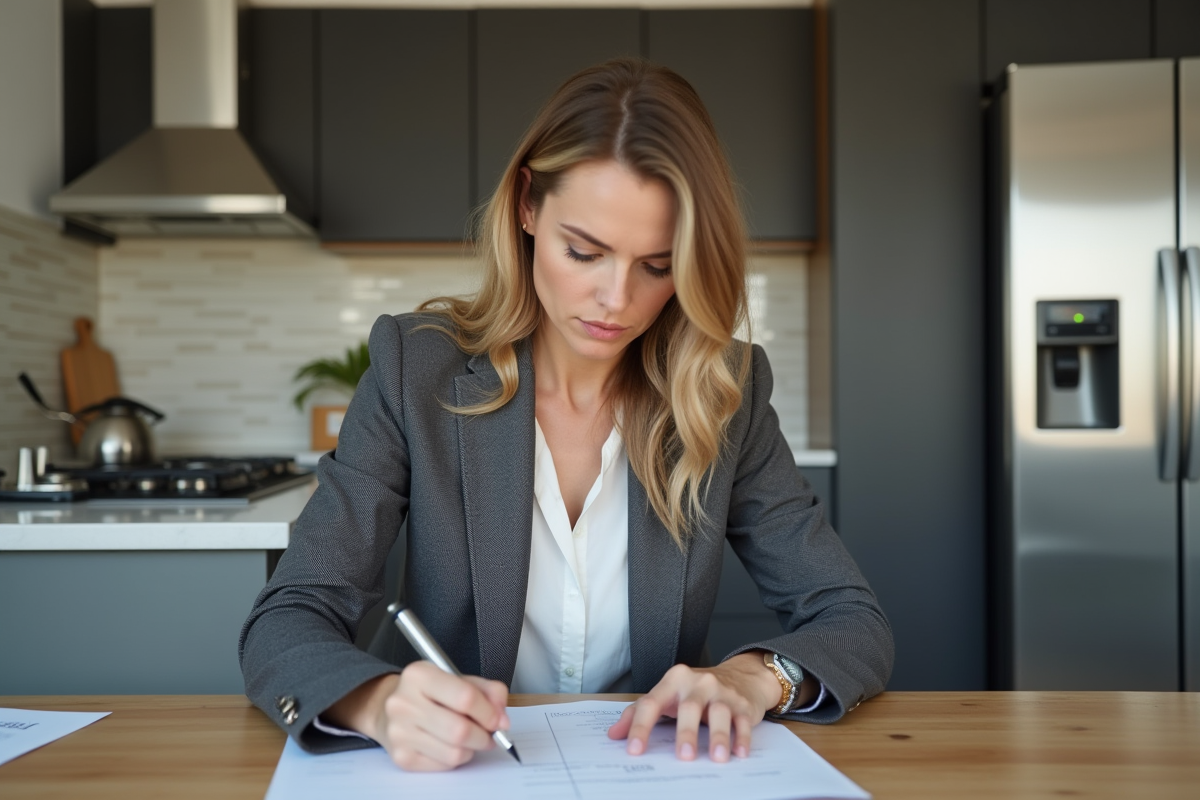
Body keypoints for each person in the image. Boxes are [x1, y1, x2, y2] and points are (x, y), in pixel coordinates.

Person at [239, 56, 892, 772]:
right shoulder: (414, 369)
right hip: (460, 780)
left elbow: (853, 619)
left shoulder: (723, 393)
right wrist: (376, 704)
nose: (616, 298)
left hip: (656, 776)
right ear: (526, 206)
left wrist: (756, 677)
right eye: (584, 251)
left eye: (657, 263)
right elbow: (287, 619)